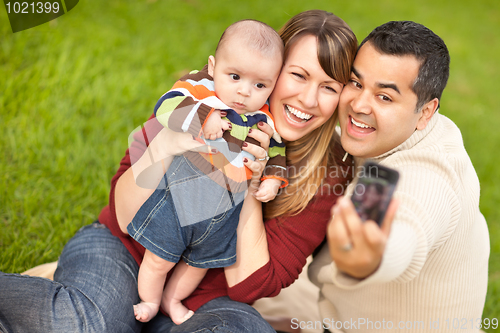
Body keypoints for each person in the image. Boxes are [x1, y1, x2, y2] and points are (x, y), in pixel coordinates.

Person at [0, 9, 358, 333]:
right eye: (298, 75)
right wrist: (168, 144)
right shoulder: (204, 101)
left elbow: (250, 285)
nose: (309, 100)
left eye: (328, 87)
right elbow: (123, 217)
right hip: (127, 252)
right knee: (87, 325)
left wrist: (251, 180)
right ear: (274, 68)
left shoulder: (328, 172)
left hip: (205, 301)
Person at [308, 21, 489, 333]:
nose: (359, 104)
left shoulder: (426, 174)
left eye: (385, 97)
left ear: (426, 111)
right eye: (356, 83)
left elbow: (405, 227)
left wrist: (367, 260)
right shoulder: (399, 137)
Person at [128, 19, 287, 325]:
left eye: (260, 85)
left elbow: (277, 151)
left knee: (198, 265)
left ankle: (171, 300)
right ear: (214, 67)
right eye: (235, 76)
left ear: (272, 84)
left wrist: (271, 178)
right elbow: (166, 107)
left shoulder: (261, 116)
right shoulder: (200, 90)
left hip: (224, 211)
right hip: (179, 199)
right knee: (159, 258)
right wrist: (203, 117)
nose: (244, 92)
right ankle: (148, 300)